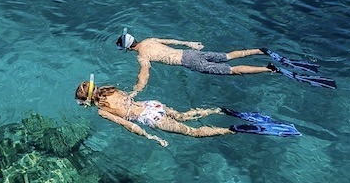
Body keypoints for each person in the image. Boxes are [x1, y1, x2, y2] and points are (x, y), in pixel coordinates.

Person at [74, 75, 300, 147]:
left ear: (86, 101)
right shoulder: (110, 90)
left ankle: (234, 129)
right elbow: (131, 97)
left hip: (148, 117)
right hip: (153, 105)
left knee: (193, 133)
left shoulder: (102, 111)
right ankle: (220, 109)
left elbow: (129, 124)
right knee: (183, 115)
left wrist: (151, 136)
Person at [115, 28, 336, 92]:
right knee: (229, 55)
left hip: (191, 63)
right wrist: (191, 43)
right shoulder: (151, 40)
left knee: (233, 70)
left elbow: (144, 74)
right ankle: (260, 50)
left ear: (128, 49)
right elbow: (172, 40)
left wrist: (136, 90)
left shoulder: (143, 55)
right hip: (193, 53)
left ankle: (269, 69)